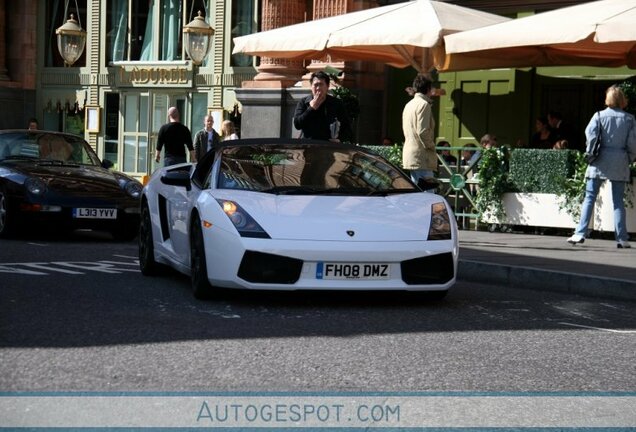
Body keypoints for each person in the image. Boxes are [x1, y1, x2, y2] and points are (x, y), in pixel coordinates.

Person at [567, 85, 636, 248]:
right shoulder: (629, 119)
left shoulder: (598, 116)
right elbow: (633, 143)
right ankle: (622, 238)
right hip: (620, 159)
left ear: (608, 99)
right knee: (618, 201)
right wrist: (629, 158)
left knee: (590, 197)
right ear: (622, 100)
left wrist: (590, 154)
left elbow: (591, 136)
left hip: (599, 159)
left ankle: (579, 233)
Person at [293, 71, 353, 142]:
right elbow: (297, 124)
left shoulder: (336, 103)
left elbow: (347, 128)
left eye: (321, 84)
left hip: (329, 146)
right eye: (315, 85)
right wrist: (311, 108)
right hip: (309, 145)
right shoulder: (304, 102)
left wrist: (339, 139)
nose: (318, 88)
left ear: (327, 87)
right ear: (311, 87)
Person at [402, 73, 437, 186]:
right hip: (422, 156)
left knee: (417, 193)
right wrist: (431, 146)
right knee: (428, 195)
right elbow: (422, 131)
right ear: (428, 89)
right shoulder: (424, 104)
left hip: (411, 154)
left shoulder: (409, 104)